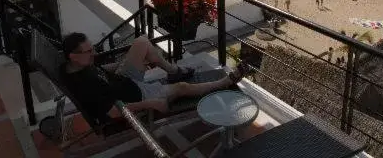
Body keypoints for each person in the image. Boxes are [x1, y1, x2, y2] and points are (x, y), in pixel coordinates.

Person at [61, 33, 248, 122]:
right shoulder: (86, 85)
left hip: (122, 80)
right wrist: (151, 104)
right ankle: (225, 82)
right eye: (89, 51)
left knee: (141, 42)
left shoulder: (73, 66)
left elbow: (99, 70)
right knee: (182, 87)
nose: (93, 54)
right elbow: (114, 112)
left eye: (93, 49)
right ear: (73, 56)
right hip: (138, 95)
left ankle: (173, 70)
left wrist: (125, 62)